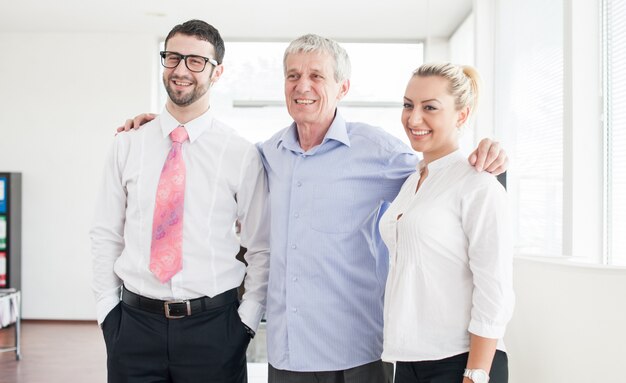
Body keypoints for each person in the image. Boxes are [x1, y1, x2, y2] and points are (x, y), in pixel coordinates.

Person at [120, 35, 508, 383]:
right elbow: (208, 158)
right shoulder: (265, 155)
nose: (302, 86)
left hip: (356, 352)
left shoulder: (379, 152)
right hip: (288, 354)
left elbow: (441, 167)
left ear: (343, 87)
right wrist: (163, 127)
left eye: (316, 76)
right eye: (292, 76)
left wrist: (488, 151)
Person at [90, 19, 270, 383]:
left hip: (215, 330)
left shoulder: (240, 153)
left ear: (217, 72)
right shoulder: (128, 144)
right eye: (173, 57)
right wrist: (107, 312)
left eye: (195, 61)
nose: (181, 70)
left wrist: (246, 322)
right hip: (134, 327)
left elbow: (261, 247)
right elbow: (105, 233)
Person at [379, 63, 514, 383]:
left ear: (462, 115)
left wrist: (476, 374)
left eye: (430, 108)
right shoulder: (411, 183)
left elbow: (494, 288)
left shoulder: (478, 184)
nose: (413, 118)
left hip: (461, 361)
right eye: (408, 105)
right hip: (410, 359)